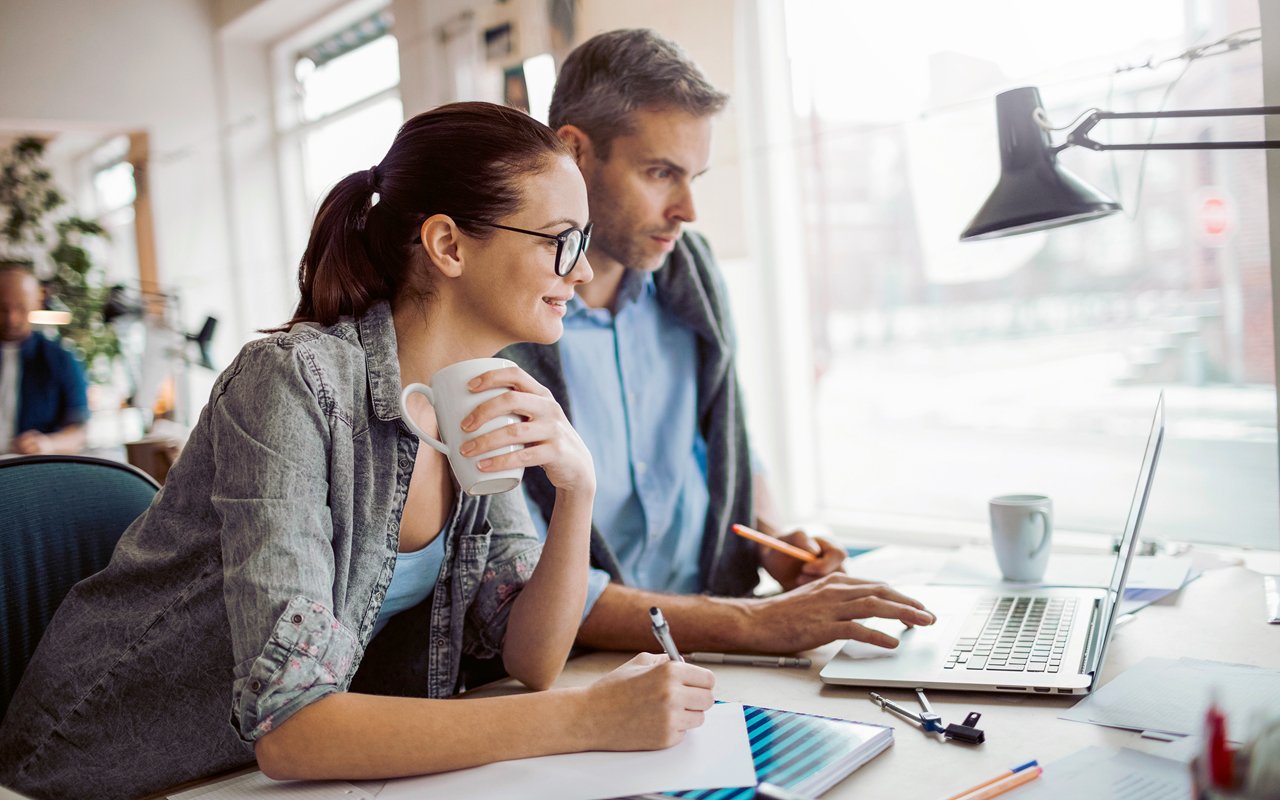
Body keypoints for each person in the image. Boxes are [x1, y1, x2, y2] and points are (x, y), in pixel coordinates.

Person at [0, 102, 715, 800]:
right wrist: (586, 719)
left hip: (263, 773)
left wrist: (575, 490)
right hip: (107, 772)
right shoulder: (292, 383)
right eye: (562, 240)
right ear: (448, 246)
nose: (583, 273)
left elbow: (532, 658)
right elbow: (294, 728)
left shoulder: (479, 395)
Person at [503, 29, 935, 656]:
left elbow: (726, 447)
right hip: (590, 662)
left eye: (695, 176)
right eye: (660, 173)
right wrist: (756, 624)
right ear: (574, 152)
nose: (688, 210)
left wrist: (776, 542)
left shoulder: (693, 272)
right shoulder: (506, 319)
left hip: (713, 643)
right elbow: (518, 584)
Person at [0, 262, 89, 455]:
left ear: (37, 302)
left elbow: (79, 431)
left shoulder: (60, 358)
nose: (11, 319)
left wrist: (48, 443)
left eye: (21, 308)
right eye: (3, 309)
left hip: (30, 470)